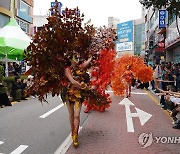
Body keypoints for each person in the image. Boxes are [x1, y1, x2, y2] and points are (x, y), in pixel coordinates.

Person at [61, 55, 92, 147]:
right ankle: (72, 132)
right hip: (68, 94)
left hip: (78, 95)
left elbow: (86, 63)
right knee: (71, 114)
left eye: (78, 58)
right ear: (70, 59)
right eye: (75, 58)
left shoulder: (80, 67)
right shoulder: (67, 69)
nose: (77, 59)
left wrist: (91, 56)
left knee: (77, 115)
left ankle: (76, 135)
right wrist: (84, 87)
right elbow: (73, 81)